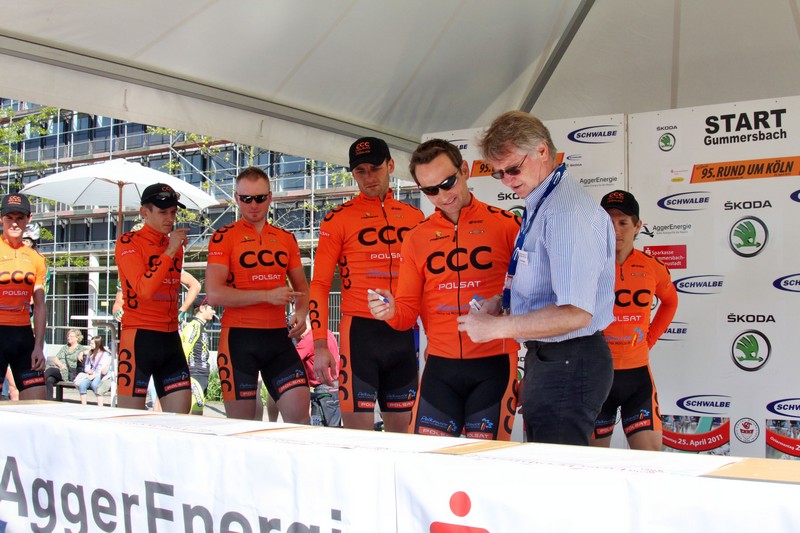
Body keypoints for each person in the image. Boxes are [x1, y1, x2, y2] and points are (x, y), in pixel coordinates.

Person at [457, 111, 616, 446]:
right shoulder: (544, 202)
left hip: (569, 357)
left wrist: (496, 329)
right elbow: (544, 282)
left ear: (542, 151)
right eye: (499, 173)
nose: (507, 180)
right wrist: (502, 302)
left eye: (513, 169)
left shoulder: (564, 212)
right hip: (553, 357)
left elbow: (576, 313)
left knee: (555, 470)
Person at [368, 139, 521, 440]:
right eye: (430, 190)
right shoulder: (416, 238)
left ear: (464, 170)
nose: (442, 196)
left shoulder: (506, 225)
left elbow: (531, 295)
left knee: (483, 461)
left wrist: (501, 301)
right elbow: (405, 315)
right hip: (441, 367)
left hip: (496, 363)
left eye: (447, 183)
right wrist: (390, 311)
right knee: (425, 461)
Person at [309, 137, 425, 432]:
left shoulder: (415, 217)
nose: (369, 177)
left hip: (403, 334)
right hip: (358, 335)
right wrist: (320, 345)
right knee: (357, 439)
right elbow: (320, 284)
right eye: (360, 171)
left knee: (402, 440)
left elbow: (427, 283)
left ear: (391, 165)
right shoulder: (337, 219)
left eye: (375, 168)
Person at [206, 167, 310, 423]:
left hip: (278, 338)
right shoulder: (223, 237)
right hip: (238, 340)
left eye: (260, 198)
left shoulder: (286, 238)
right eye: (246, 199)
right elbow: (215, 294)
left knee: (300, 421)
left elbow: (302, 288)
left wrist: (301, 311)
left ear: (270, 197)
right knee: (241, 428)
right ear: (236, 198)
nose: (253, 205)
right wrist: (266, 295)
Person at [591, 190, 678, 450]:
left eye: (623, 222)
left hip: (637, 375)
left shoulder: (653, 267)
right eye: (609, 222)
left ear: (638, 226)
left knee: (650, 457)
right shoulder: (587, 266)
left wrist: (649, 339)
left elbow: (670, 302)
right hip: (597, 374)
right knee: (592, 461)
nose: (616, 230)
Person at [114, 183, 192, 413]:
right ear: (144, 212)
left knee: (181, 419)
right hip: (139, 337)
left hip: (170, 337)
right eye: (163, 212)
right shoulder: (128, 242)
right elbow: (144, 290)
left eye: (173, 212)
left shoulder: (175, 244)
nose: (170, 218)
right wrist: (170, 250)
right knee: (129, 421)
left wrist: (172, 248)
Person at [0, 193, 48, 400]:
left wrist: (39, 346)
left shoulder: (36, 258)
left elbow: (40, 305)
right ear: (1, 219)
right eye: (9, 218)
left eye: (20, 218)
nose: (14, 223)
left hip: (23, 335)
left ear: (28, 219)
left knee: (38, 401)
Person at [181, 294, 216, 415]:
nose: (214, 311)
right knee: (195, 413)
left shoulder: (202, 327)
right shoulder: (194, 327)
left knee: (198, 412)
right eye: (211, 308)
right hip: (194, 374)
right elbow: (184, 350)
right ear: (201, 308)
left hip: (202, 375)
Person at [44, 328, 86, 399]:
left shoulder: (80, 348)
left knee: (50, 370)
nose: (68, 338)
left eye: (71, 336)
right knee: (49, 380)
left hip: (70, 374)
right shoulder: (65, 347)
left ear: (77, 338)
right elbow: (55, 359)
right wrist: (61, 365)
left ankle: (36, 385)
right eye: (68, 336)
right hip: (61, 371)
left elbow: (90, 351)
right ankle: (49, 400)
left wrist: (82, 353)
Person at [75, 335, 112, 406]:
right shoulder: (90, 353)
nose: (90, 345)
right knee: (82, 384)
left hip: (101, 374)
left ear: (98, 344)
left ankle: (100, 405)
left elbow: (103, 370)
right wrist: (88, 371)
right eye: (90, 343)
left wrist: (94, 375)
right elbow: (87, 365)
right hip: (92, 374)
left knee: (94, 384)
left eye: (92, 343)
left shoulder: (105, 355)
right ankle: (83, 405)